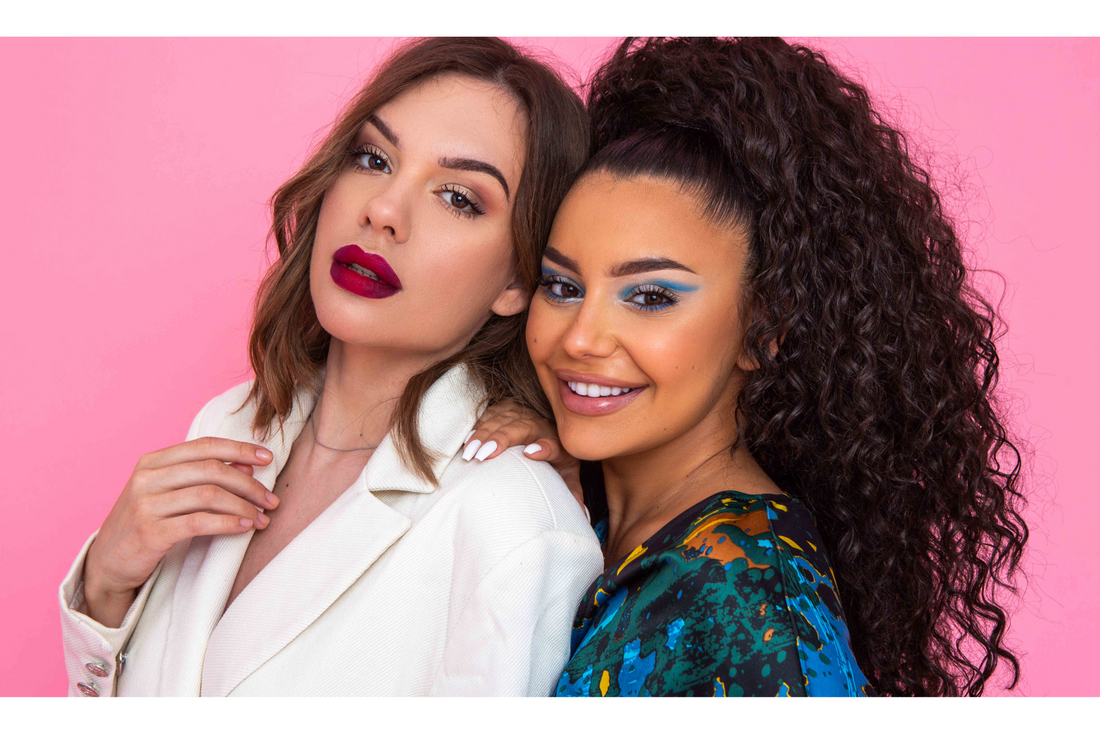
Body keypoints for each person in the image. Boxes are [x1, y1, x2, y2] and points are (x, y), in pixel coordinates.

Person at [465, 36, 1027, 696]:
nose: (581, 338)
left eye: (650, 296)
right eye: (561, 286)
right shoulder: (604, 528)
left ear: (763, 329)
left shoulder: (754, 613)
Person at [58, 36, 604, 697]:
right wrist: (104, 590)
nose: (383, 209)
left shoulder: (514, 527)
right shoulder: (227, 425)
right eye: (373, 158)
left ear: (519, 279)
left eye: (458, 196)